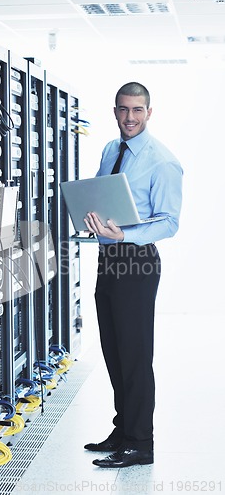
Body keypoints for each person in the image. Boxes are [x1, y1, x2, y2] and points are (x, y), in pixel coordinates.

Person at [83, 82, 183, 468]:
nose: (130, 118)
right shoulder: (111, 149)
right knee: (114, 351)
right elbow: (100, 194)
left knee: (136, 355)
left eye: (137, 110)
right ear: (115, 111)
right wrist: (90, 218)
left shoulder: (163, 161)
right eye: (124, 110)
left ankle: (141, 443)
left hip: (137, 262)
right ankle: (123, 428)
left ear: (149, 112)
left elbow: (170, 223)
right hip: (108, 260)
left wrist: (125, 234)